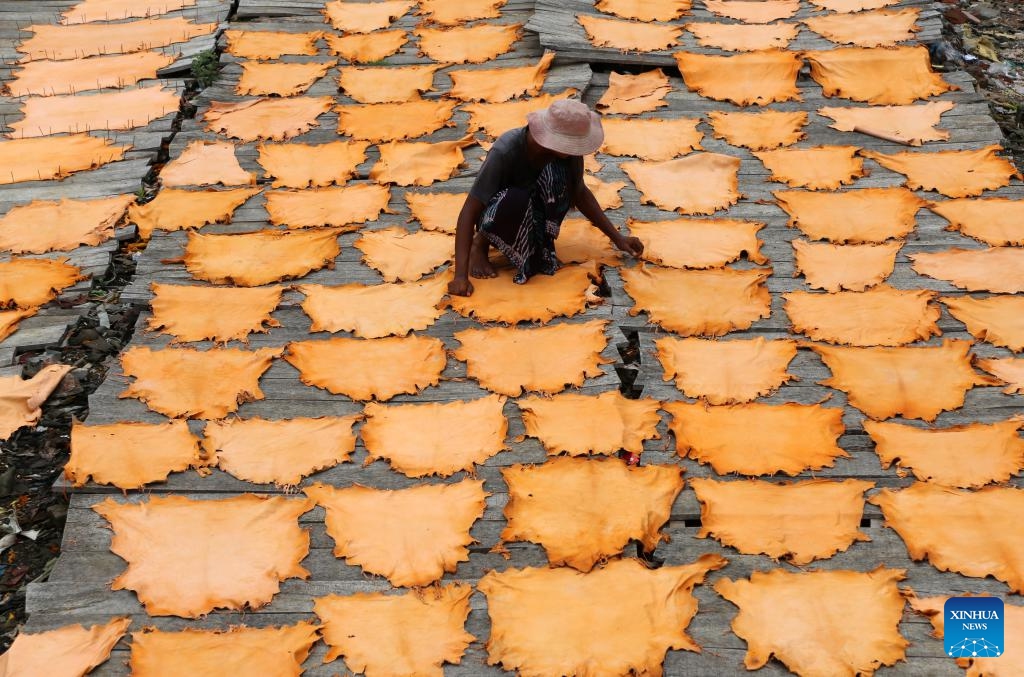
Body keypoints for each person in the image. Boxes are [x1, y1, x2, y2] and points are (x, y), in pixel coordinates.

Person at [447, 99, 644, 297]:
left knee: (555, 175)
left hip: (533, 212)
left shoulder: (567, 156)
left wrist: (618, 238)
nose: (577, 149)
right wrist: (460, 277)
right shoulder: (506, 149)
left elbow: (579, 193)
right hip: (498, 213)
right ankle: (480, 244)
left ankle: (538, 244)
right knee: (516, 198)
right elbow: (469, 211)